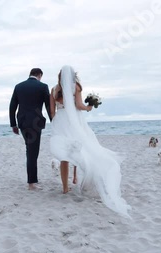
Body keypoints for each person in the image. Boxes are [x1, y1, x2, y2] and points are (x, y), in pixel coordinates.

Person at [49, 65, 131, 217]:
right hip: (73, 121)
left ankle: (65, 188)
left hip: (59, 121)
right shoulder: (76, 87)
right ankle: (81, 179)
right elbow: (79, 105)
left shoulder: (54, 90)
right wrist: (89, 108)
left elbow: (52, 112)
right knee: (82, 149)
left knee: (65, 155)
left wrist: (59, 118)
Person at [9, 68, 51, 190]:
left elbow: (12, 106)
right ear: (39, 75)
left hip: (22, 122)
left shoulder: (19, 86)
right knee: (33, 152)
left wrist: (13, 124)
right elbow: (48, 106)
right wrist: (54, 121)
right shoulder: (43, 86)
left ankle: (32, 180)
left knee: (30, 149)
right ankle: (31, 183)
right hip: (35, 123)